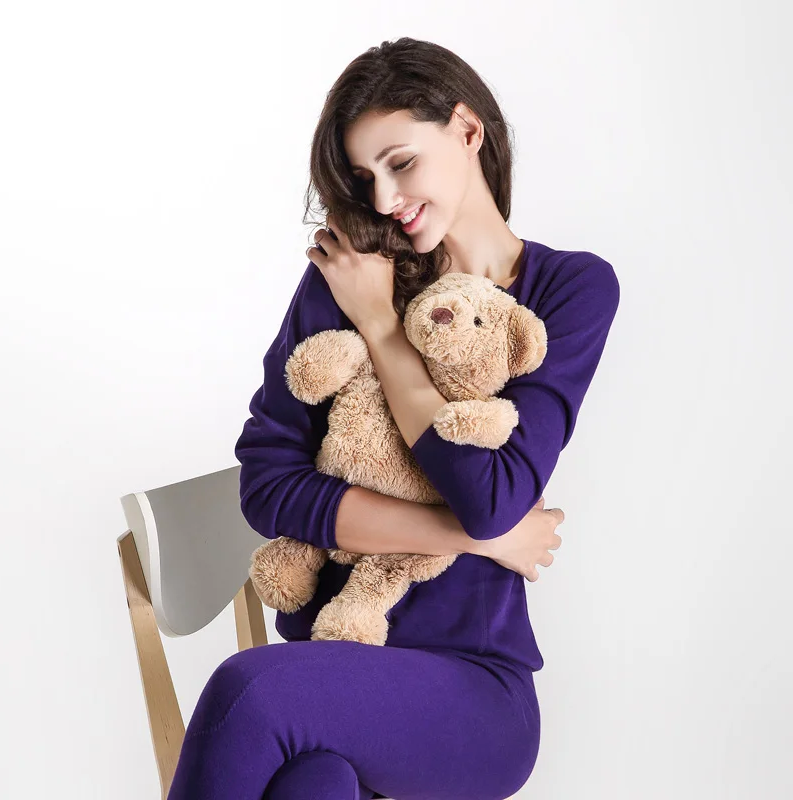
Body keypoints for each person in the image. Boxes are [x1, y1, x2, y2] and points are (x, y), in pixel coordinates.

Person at [167, 36, 619, 800]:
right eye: (364, 177)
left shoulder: (567, 291)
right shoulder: (350, 272)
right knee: (309, 784)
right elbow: (268, 484)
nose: (382, 201)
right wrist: (469, 540)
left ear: (467, 130)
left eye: (401, 162)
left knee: (249, 693)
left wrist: (381, 327)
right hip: (332, 659)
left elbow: (492, 496)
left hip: (474, 690)